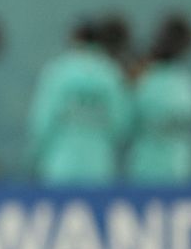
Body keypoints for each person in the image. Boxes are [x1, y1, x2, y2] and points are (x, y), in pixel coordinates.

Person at [27, 20, 131, 185]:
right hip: (100, 165)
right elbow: (121, 124)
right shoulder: (110, 73)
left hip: (60, 165)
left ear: (74, 39)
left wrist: (35, 158)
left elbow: (42, 122)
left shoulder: (58, 71)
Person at [125, 16, 191, 184]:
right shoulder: (184, 83)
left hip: (164, 170)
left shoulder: (148, 82)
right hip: (161, 170)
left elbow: (124, 123)